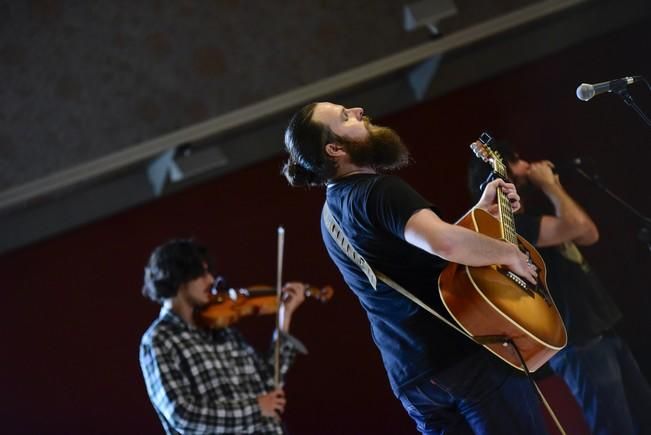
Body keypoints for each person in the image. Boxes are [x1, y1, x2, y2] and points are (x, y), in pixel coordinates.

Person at [281, 102, 549, 434]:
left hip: (414, 378)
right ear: (335, 149)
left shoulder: (330, 215)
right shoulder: (378, 190)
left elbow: (416, 257)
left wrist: (481, 211)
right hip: (459, 355)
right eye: (344, 116)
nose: (358, 110)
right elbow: (444, 244)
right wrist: (509, 253)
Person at [468, 141, 651, 435]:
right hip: (578, 341)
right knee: (615, 427)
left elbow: (589, 233)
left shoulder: (537, 216)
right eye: (517, 162)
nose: (528, 166)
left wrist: (553, 189)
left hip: (601, 329)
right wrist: (551, 186)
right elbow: (578, 226)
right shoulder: (517, 229)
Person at [139, 239, 308, 435]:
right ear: (178, 276)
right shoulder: (159, 339)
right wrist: (256, 409)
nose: (211, 280)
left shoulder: (222, 330)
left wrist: (284, 316)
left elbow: (269, 383)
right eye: (201, 273)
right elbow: (182, 415)